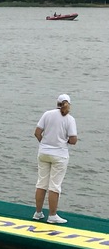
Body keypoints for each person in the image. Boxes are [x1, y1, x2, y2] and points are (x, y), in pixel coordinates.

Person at [33, 94, 78, 224]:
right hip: (60, 155)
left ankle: (38, 213)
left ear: (57, 103)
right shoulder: (70, 119)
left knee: (41, 183)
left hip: (43, 153)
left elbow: (37, 133)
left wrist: (44, 144)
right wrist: (64, 141)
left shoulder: (47, 114)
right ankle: (52, 215)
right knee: (55, 186)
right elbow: (73, 140)